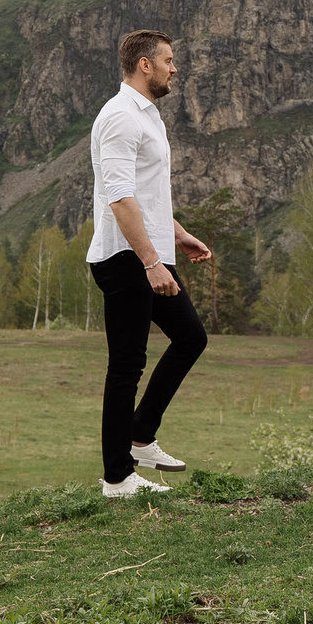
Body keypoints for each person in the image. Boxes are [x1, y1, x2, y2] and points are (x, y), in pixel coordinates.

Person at [86, 29, 214, 496]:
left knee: (191, 338)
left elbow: (145, 193)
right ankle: (117, 477)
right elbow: (120, 198)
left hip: (148, 253)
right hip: (127, 258)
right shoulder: (121, 117)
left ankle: (140, 435)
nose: (174, 68)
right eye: (168, 60)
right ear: (145, 64)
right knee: (126, 366)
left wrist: (177, 236)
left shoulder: (147, 115)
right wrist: (150, 262)